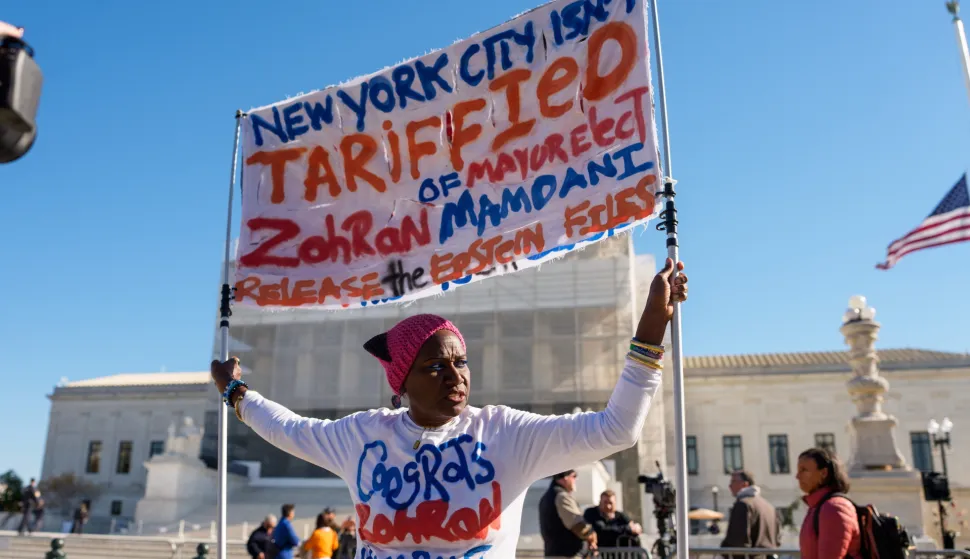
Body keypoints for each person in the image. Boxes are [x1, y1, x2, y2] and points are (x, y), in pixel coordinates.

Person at [212, 259, 688, 558]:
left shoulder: (506, 434)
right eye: (435, 366)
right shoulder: (362, 437)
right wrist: (236, 392)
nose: (455, 374)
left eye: (460, 361)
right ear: (400, 382)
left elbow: (616, 429)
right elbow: (289, 428)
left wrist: (649, 332)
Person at [796, 448, 860, 559]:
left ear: (824, 473)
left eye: (804, 470)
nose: (797, 476)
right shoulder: (818, 506)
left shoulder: (833, 508)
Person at [720, 470, 779, 558]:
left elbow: (738, 542)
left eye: (733, 481)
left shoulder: (743, 505)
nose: (729, 486)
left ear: (745, 484)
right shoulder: (769, 506)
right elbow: (777, 539)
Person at [539, 470, 596, 558]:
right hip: (567, 555)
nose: (576, 480)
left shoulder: (546, 497)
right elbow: (579, 526)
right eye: (574, 476)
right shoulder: (562, 497)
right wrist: (592, 535)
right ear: (565, 477)